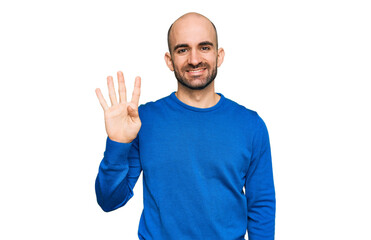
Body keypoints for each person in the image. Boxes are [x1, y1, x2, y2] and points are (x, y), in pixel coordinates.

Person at [95, 12, 275, 240]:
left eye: (204, 47)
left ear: (219, 56)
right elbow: (109, 200)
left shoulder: (251, 125)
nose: (194, 59)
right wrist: (117, 145)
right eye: (182, 50)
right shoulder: (143, 121)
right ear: (169, 60)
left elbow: (261, 207)